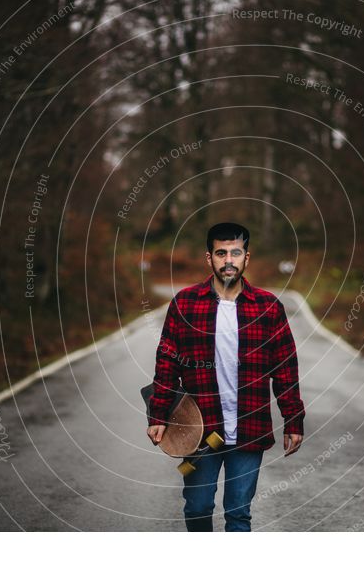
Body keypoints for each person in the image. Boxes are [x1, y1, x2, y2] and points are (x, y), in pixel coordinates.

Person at [146, 222, 305, 532]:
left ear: (247, 257)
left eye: (236, 252)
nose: (228, 260)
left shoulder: (269, 308)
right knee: (197, 507)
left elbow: (285, 369)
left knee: (239, 514)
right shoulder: (185, 304)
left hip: (250, 429)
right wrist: (158, 415)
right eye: (221, 253)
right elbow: (166, 364)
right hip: (199, 434)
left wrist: (293, 420)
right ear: (210, 258)